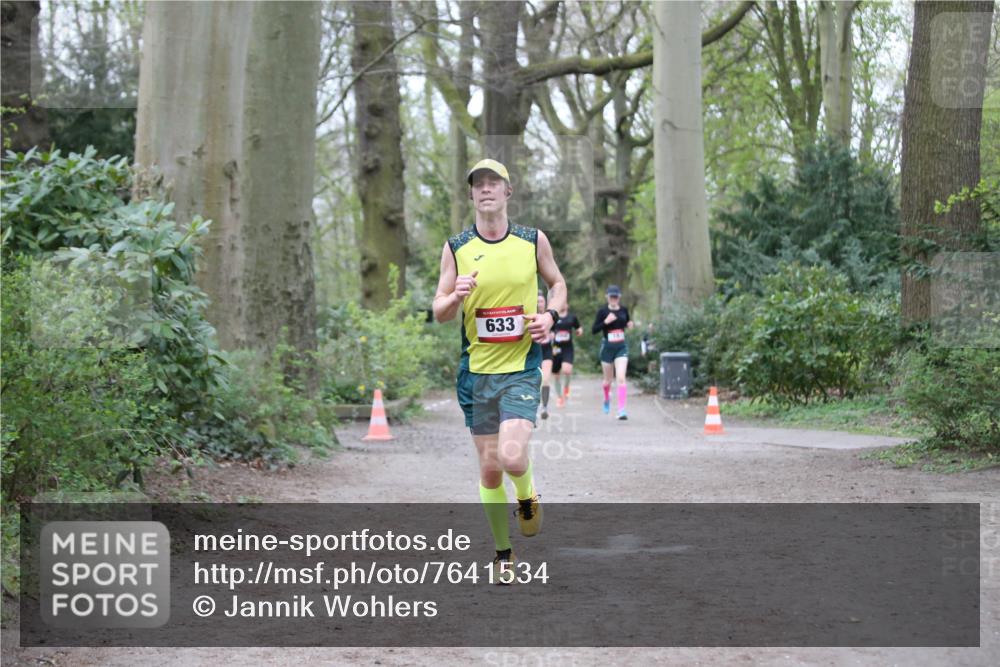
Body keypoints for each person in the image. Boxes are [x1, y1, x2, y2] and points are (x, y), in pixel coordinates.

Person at [433, 158, 567, 584]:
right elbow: (439, 310)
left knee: (511, 456)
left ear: (508, 191)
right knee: (490, 470)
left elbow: (557, 284)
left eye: (494, 182)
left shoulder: (532, 241)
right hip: (476, 374)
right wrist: (455, 296)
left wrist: (551, 317)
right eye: (479, 184)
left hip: (521, 368)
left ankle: (526, 495)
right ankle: (503, 553)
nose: (486, 189)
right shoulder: (456, 248)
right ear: (472, 195)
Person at [592, 285, 634, 420]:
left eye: (616, 297)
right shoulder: (602, 311)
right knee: (607, 381)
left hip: (621, 347)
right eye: (611, 296)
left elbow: (627, 322)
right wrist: (605, 321)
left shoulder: (624, 310)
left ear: (619, 297)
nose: (614, 299)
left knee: (621, 378)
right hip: (607, 348)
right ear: (607, 297)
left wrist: (630, 324)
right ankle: (606, 398)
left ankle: (621, 410)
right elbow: (594, 330)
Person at [550, 303, 582, 408]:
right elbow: (549, 330)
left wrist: (579, 331)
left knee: (567, 370)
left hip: (568, 348)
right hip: (556, 349)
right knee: (556, 375)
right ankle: (560, 398)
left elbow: (578, 328)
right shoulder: (553, 317)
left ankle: (566, 388)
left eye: (565, 303)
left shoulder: (572, 317)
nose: (563, 305)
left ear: (567, 305)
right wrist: (551, 334)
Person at [537, 291, 555, 420]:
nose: (539, 304)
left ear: (545, 303)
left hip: (546, 351)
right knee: (534, 381)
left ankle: (544, 407)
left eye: (541, 301)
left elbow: (558, 331)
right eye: (537, 301)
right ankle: (532, 410)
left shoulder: (551, 317)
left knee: (545, 379)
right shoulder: (530, 316)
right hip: (533, 352)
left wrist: (553, 335)